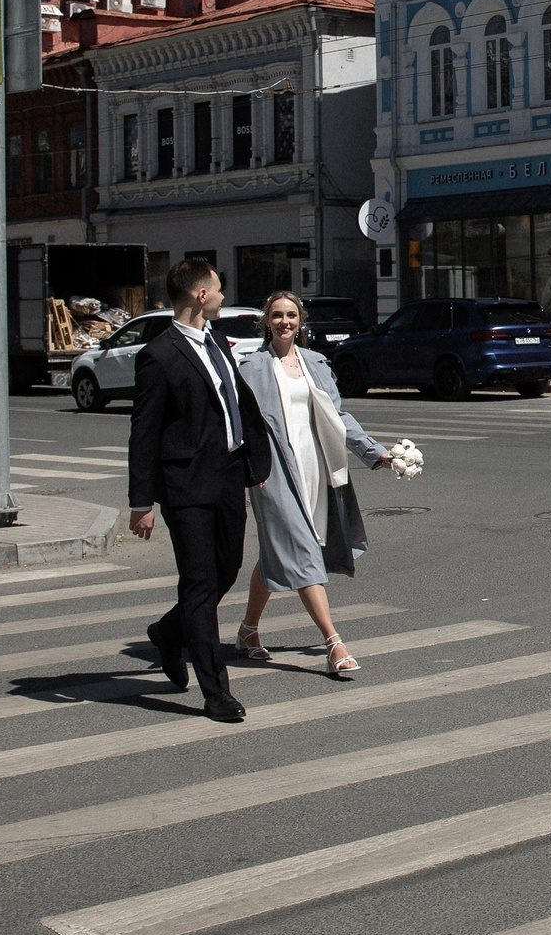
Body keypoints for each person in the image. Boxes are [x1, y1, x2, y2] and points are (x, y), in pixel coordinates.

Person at [127, 257, 275, 724]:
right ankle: (216, 692)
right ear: (199, 295)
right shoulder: (160, 354)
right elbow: (144, 432)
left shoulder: (215, 341)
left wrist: (254, 463)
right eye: (217, 289)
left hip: (229, 476)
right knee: (198, 583)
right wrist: (141, 501)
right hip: (185, 485)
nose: (223, 296)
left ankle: (169, 634)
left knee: (226, 570)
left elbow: (237, 407)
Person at [233, 291, 392, 681]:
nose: (284, 322)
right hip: (272, 473)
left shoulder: (316, 363)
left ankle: (247, 629)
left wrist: (375, 452)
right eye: (276, 315)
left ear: (300, 321)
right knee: (303, 551)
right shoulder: (250, 368)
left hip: (315, 465)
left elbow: (337, 417)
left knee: (278, 550)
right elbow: (240, 426)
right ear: (266, 322)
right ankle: (333, 643)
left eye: (290, 315)